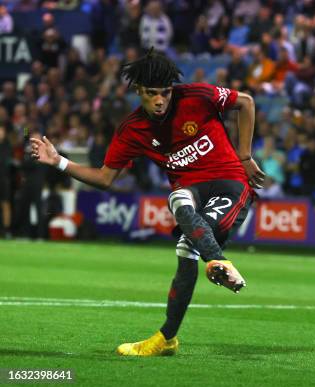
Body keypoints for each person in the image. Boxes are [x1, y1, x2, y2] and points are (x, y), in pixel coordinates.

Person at [30, 49, 265, 357]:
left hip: (230, 185)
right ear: (138, 91)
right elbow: (104, 178)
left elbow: (245, 102)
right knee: (178, 202)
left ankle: (211, 270)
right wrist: (58, 160)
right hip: (190, 190)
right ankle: (174, 329)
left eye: (165, 93)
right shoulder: (133, 129)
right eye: (152, 94)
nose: (160, 101)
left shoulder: (196, 96)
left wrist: (245, 156)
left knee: (186, 238)